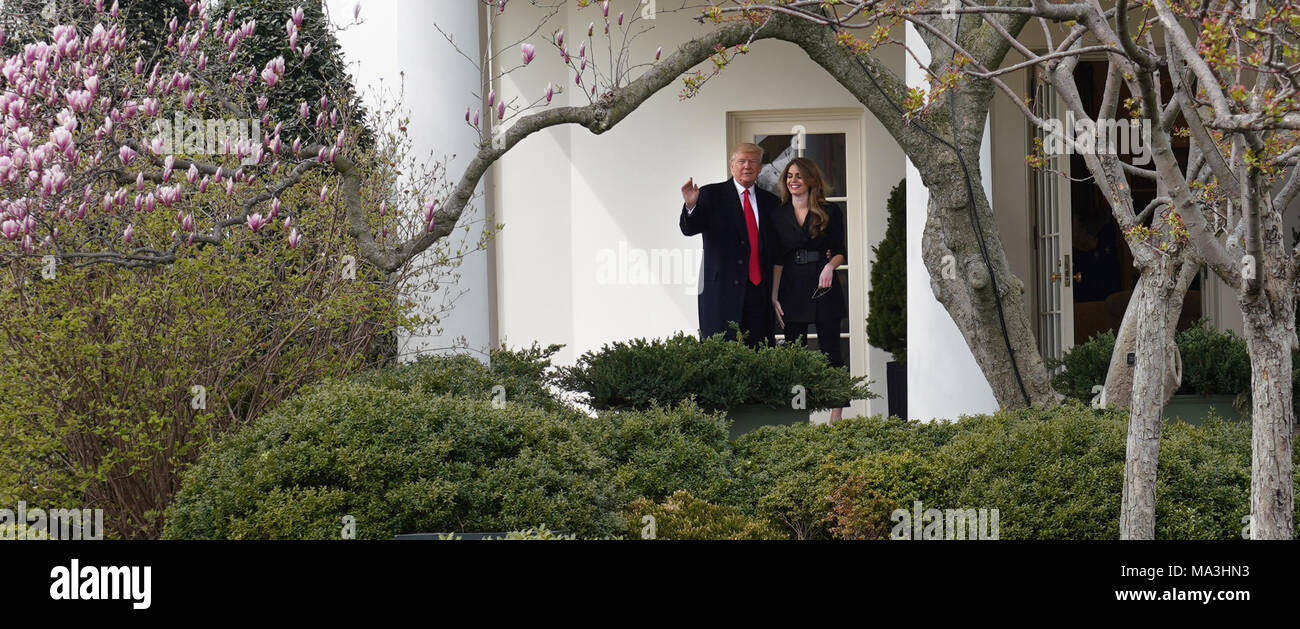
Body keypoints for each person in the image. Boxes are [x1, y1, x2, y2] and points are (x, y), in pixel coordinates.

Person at [769, 158, 849, 423]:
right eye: (790, 176)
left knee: (831, 350)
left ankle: (835, 415)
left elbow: (840, 252)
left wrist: (830, 267)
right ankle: (798, 414)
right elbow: (777, 259)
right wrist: (774, 295)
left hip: (823, 284)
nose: (793, 180)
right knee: (794, 352)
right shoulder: (778, 214)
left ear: (811, 180)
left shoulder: (830, 211)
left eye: (800, 176)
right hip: (791, 284)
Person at [679, 143, 779, 348]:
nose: (747, 166)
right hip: (720, 291)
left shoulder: (771, 201)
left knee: (759, 353)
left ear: (760, 168)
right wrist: (691, 206)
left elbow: (776, 245)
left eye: (753, 162)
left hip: (759, 292)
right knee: (721, 352)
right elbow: (689, 229)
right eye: (741, 161)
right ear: (732, 166)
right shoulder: (710, 194)